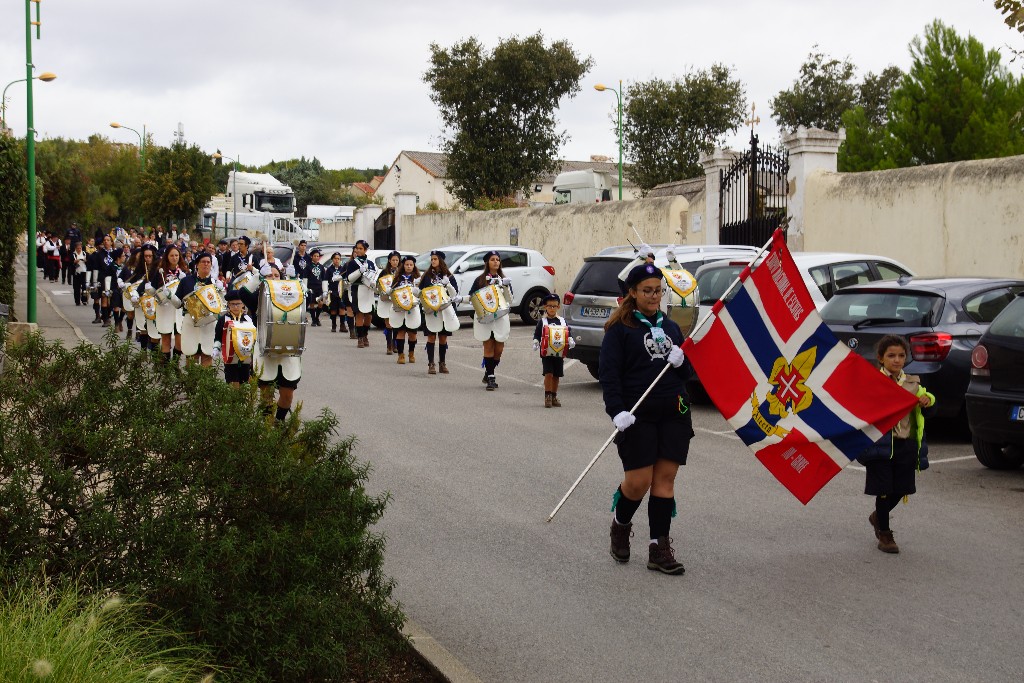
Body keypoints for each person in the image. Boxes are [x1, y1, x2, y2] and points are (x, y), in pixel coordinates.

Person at [600, 262, 692, 576]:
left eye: (658, 291)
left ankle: (658, 547)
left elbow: (687, 373)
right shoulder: (620, 329)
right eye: (647, 291)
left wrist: (680, 361)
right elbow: (609, 376)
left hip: (673, 412)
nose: (654, 297)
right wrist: (617, 412)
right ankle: (620, 524)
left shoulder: (670, 327)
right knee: (639, 483)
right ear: (633, 293)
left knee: (665, 481)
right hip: (636, 415)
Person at [857, 335, 935, 555]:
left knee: (902, 489)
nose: (897, 360)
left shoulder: (913, 383)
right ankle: (885, 533)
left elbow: (929, 404)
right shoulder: (872, 382)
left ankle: (877, 517)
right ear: (880, 358)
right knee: (883, 490)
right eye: (891, 355)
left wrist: (927, 401)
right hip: (879, 446)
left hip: (905, 445)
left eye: (901, 355)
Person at [251, 262, 302, 423]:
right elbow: (242, 293)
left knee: (287, 396)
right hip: (265, 352)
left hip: (287, 351)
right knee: (266, 395)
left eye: (276, 275)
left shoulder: (291, 293)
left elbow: (306, 295)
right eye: (269, 275)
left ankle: (279, 421)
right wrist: (257, 278)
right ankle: (266, 428)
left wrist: (294, 279)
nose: (273, 278)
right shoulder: (257, 295)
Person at [469, 251, 513, 390]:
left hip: (500, 318)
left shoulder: (503, 279)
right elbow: (472, 297)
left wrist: (505, 286)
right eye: (492, 259)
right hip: (486, 318)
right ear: (487, 262)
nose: (495, 262)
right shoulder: (480, 280)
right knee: (488, 347)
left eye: (497, 259)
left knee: (499, 350)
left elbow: (509, 299)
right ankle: (491, 378)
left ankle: (488, 372)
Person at [176, 252, 224, 367]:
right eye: (203, 262)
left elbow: (222, 306)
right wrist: (168, 296)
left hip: (209, 323)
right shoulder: (186, 281)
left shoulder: (215, 283)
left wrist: (221, 291)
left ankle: (205, 385)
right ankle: (191, 384)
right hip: (190, 322)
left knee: (207, 355)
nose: (206, 264)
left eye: (208, 262)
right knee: (191, 355)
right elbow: (177, 304)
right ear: (197, 264)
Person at [419, 250, 461, 374]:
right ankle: (431, 363)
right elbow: (421, 292)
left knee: (443, 338)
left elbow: (454, 294)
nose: (433, 261)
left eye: (435, 259)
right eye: (431, 259)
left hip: (445, 310)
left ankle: (442, 363)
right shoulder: (426, 276)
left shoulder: (449, 276)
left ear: (441, 261)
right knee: (431, 337)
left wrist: (448, 285)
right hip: (431, 310)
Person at [532, 293, 575, 407]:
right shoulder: (542, 322)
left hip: (559, 352)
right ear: (545, 307)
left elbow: (567, 333)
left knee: (556, 375)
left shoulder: (562, 321)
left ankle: (554, 396)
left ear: (558, 307)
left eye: (554, 306)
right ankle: (548, 396)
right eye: (549, 306)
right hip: (546, 353)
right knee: (549, 373)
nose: (552, 308)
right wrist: (536, 342)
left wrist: (570, 340)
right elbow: (537, 334)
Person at [151, 244, 188, 363]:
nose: (174, 257)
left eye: (176, 255)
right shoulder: (160, 272)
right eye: (171, 255)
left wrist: (185, 281)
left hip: (178, 310)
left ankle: (175, 365)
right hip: (165, 308)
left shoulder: (184, 271)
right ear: (167, 257)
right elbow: (153, 290)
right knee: (166, 340)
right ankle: (165, 369)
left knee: (180, 342)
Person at [213, 290, 257, 387]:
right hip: (230, 358)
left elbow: (255, 337)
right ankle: (233, 402)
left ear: (243, 304)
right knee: (233, 384)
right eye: (232, 304)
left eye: (238, 304)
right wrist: (216, 348)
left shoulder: (249, 319)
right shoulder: (223, 319)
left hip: (246, 358)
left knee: (245, 385)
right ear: (228, 304)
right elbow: (218, 337)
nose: (236, 307)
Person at [343, 240, 378, 348]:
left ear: (365, 250)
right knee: (359, 314)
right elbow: (348, 278)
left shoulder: (371, 263)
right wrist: (359, 271)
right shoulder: (352, 263)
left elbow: (375, 275)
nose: (358, 250)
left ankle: (365, 334)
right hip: (357, 290)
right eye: (357, 248)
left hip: (368, 291)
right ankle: (360, 338)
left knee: (369, 315)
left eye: (360, 248)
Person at [386, 255, 421, 364]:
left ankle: (411, 353)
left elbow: (422, 293)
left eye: (411, 265)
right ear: (403, 265)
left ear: (414, 266)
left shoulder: (417, 278)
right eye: (406, 264)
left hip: (413, 308)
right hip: (400, 309)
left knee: (412, 333)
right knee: (400, 332)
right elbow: (391, 291)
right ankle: (401, 354)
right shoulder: (398, 278)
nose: (409, 266)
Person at [376, 251, 401, 355]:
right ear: (389, 261)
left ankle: (395, 344)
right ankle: (389, 346)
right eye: (393, 260)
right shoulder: (384, 272)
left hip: (396, 300)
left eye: (397, 260)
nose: (395, 262)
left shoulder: (401, 272)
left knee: (395, 323)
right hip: (386, 300)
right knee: (388, 323)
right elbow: (378, 285)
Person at [324, 252, 346, 333]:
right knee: (333, 309)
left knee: (342, 308)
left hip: (341, 291)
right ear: (332, 260)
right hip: (332, 291)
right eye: (335, 259)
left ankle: (342, 325)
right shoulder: (329, 270)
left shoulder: (343, 269)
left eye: (338, 259)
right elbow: (326, 280)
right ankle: (333, 324)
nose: (337, 260)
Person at [305, 248, 327, 327]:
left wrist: (325, 288)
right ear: (311, 256)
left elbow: (324, 278)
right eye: (315, 256)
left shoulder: (321, 267)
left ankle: (317, 317)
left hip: (319, 287)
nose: (316, 257)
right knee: (312, 304)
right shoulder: (308, 266)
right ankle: (313, 320)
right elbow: (305, 277)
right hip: (311, 286)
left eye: (318, 256)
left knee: (320, 303)